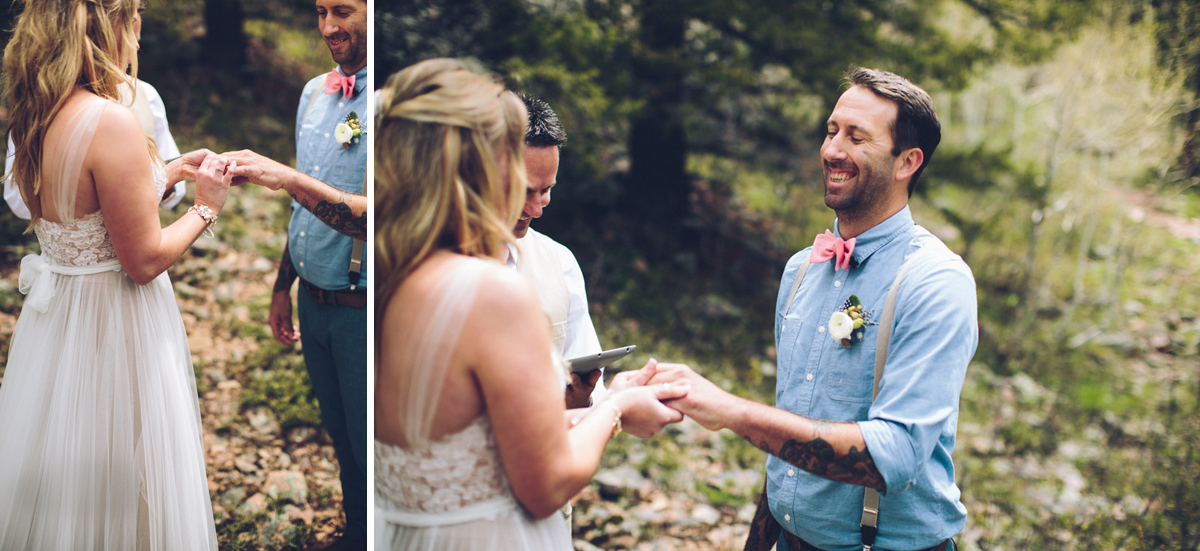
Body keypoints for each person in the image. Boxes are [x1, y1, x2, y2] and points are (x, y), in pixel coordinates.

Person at [649, 68, 978, 551]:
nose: (831, 151)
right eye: (831, 131)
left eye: (856, 137)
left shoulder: (936, 281)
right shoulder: (801, 270)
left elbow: (897, 456)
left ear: (907, 161)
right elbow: (793, 437)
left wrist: (732, 412)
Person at [373, 57, 688, 551]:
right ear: (471, 169)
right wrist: (619, 410)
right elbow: (543, 487)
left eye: (546, 190)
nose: (533, 204)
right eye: (510, 175)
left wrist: (601, 397)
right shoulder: (489, 292)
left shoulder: (387, 269)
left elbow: (466, 440)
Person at [0, 0, 231, 548]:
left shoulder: (38, 113)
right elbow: (144, 260)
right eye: (136, 19)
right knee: (128, 471)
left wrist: (166, 172)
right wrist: (206, 206)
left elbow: (85, 207)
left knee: (62, 461)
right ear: (111, 26)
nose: (139, 35)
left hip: (56, 321)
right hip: (115, 321)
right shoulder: (112, 120)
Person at [223, 0, 368, 548]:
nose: (329, 26)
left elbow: (376, 223)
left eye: (344, 11)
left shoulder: (395, 107)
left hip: (363, 311)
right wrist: (284, 285)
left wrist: (283, 177)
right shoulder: (313, 93)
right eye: (321, 11)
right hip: (313, 300)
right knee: (342, 440)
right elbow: (305, 203)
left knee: (370, 446)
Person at [4, 5, 185, 217]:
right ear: (97, 29)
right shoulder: (41, 102)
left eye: (138, 19)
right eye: (130, 23)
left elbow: (173, 185)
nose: (136, 44)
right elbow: (16, 197)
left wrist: (177, 172)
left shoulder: (146, 95)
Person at [508, 94, 605, 409]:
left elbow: (589, 377)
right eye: (523, 191)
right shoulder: (428, 263)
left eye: (546, 190)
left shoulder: (560, 262)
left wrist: (588, 400)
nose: (536, 210)